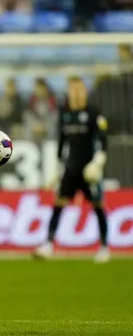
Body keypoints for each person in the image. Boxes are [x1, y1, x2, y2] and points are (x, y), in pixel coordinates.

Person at [34, 77, 110, 262]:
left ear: (84, 91)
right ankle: (48, 244)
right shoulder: (65, 113)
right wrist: (58, 168)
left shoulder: (93, 113)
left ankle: (104, 247)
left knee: (97, 205)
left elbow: (103, 141)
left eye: (79, 90)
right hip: (70, 168)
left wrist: (98, 163)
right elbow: (61, 144)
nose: (75, 94)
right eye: (72, 90)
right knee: (58, 203)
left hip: (89, 170)